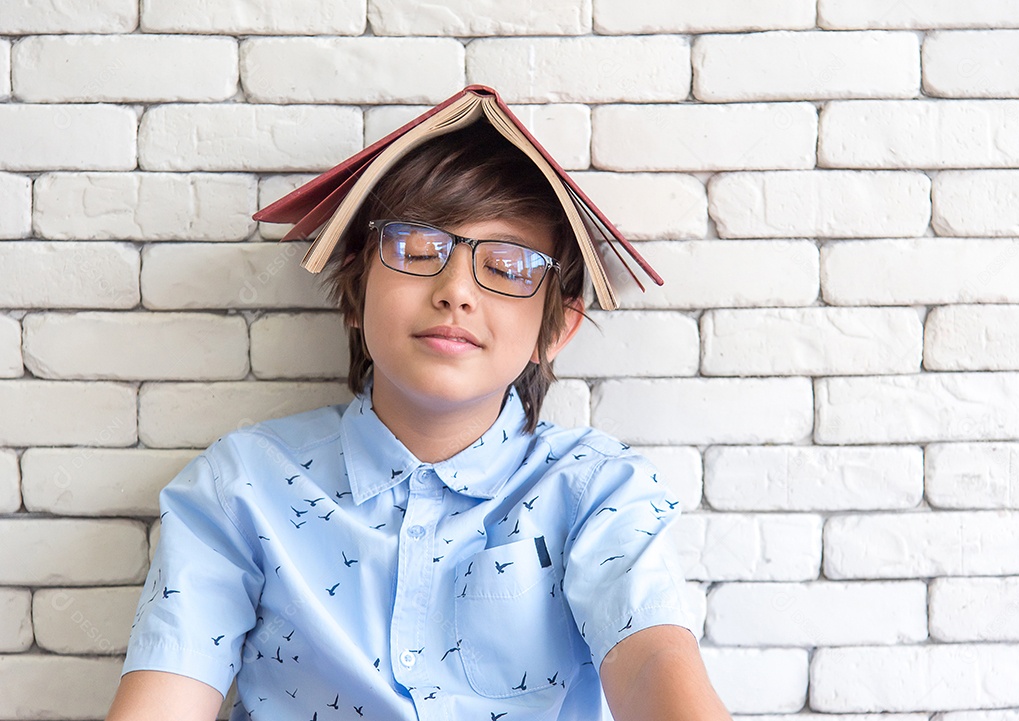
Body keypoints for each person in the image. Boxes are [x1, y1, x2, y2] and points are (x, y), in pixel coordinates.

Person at [106, 121, 730, 721]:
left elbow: (653, 659)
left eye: (508, 268)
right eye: (416, 249)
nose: (456, 290)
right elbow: (167, 692)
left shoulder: (600, 491)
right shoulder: (239, 486)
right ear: (354, 292)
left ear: (556, 329)